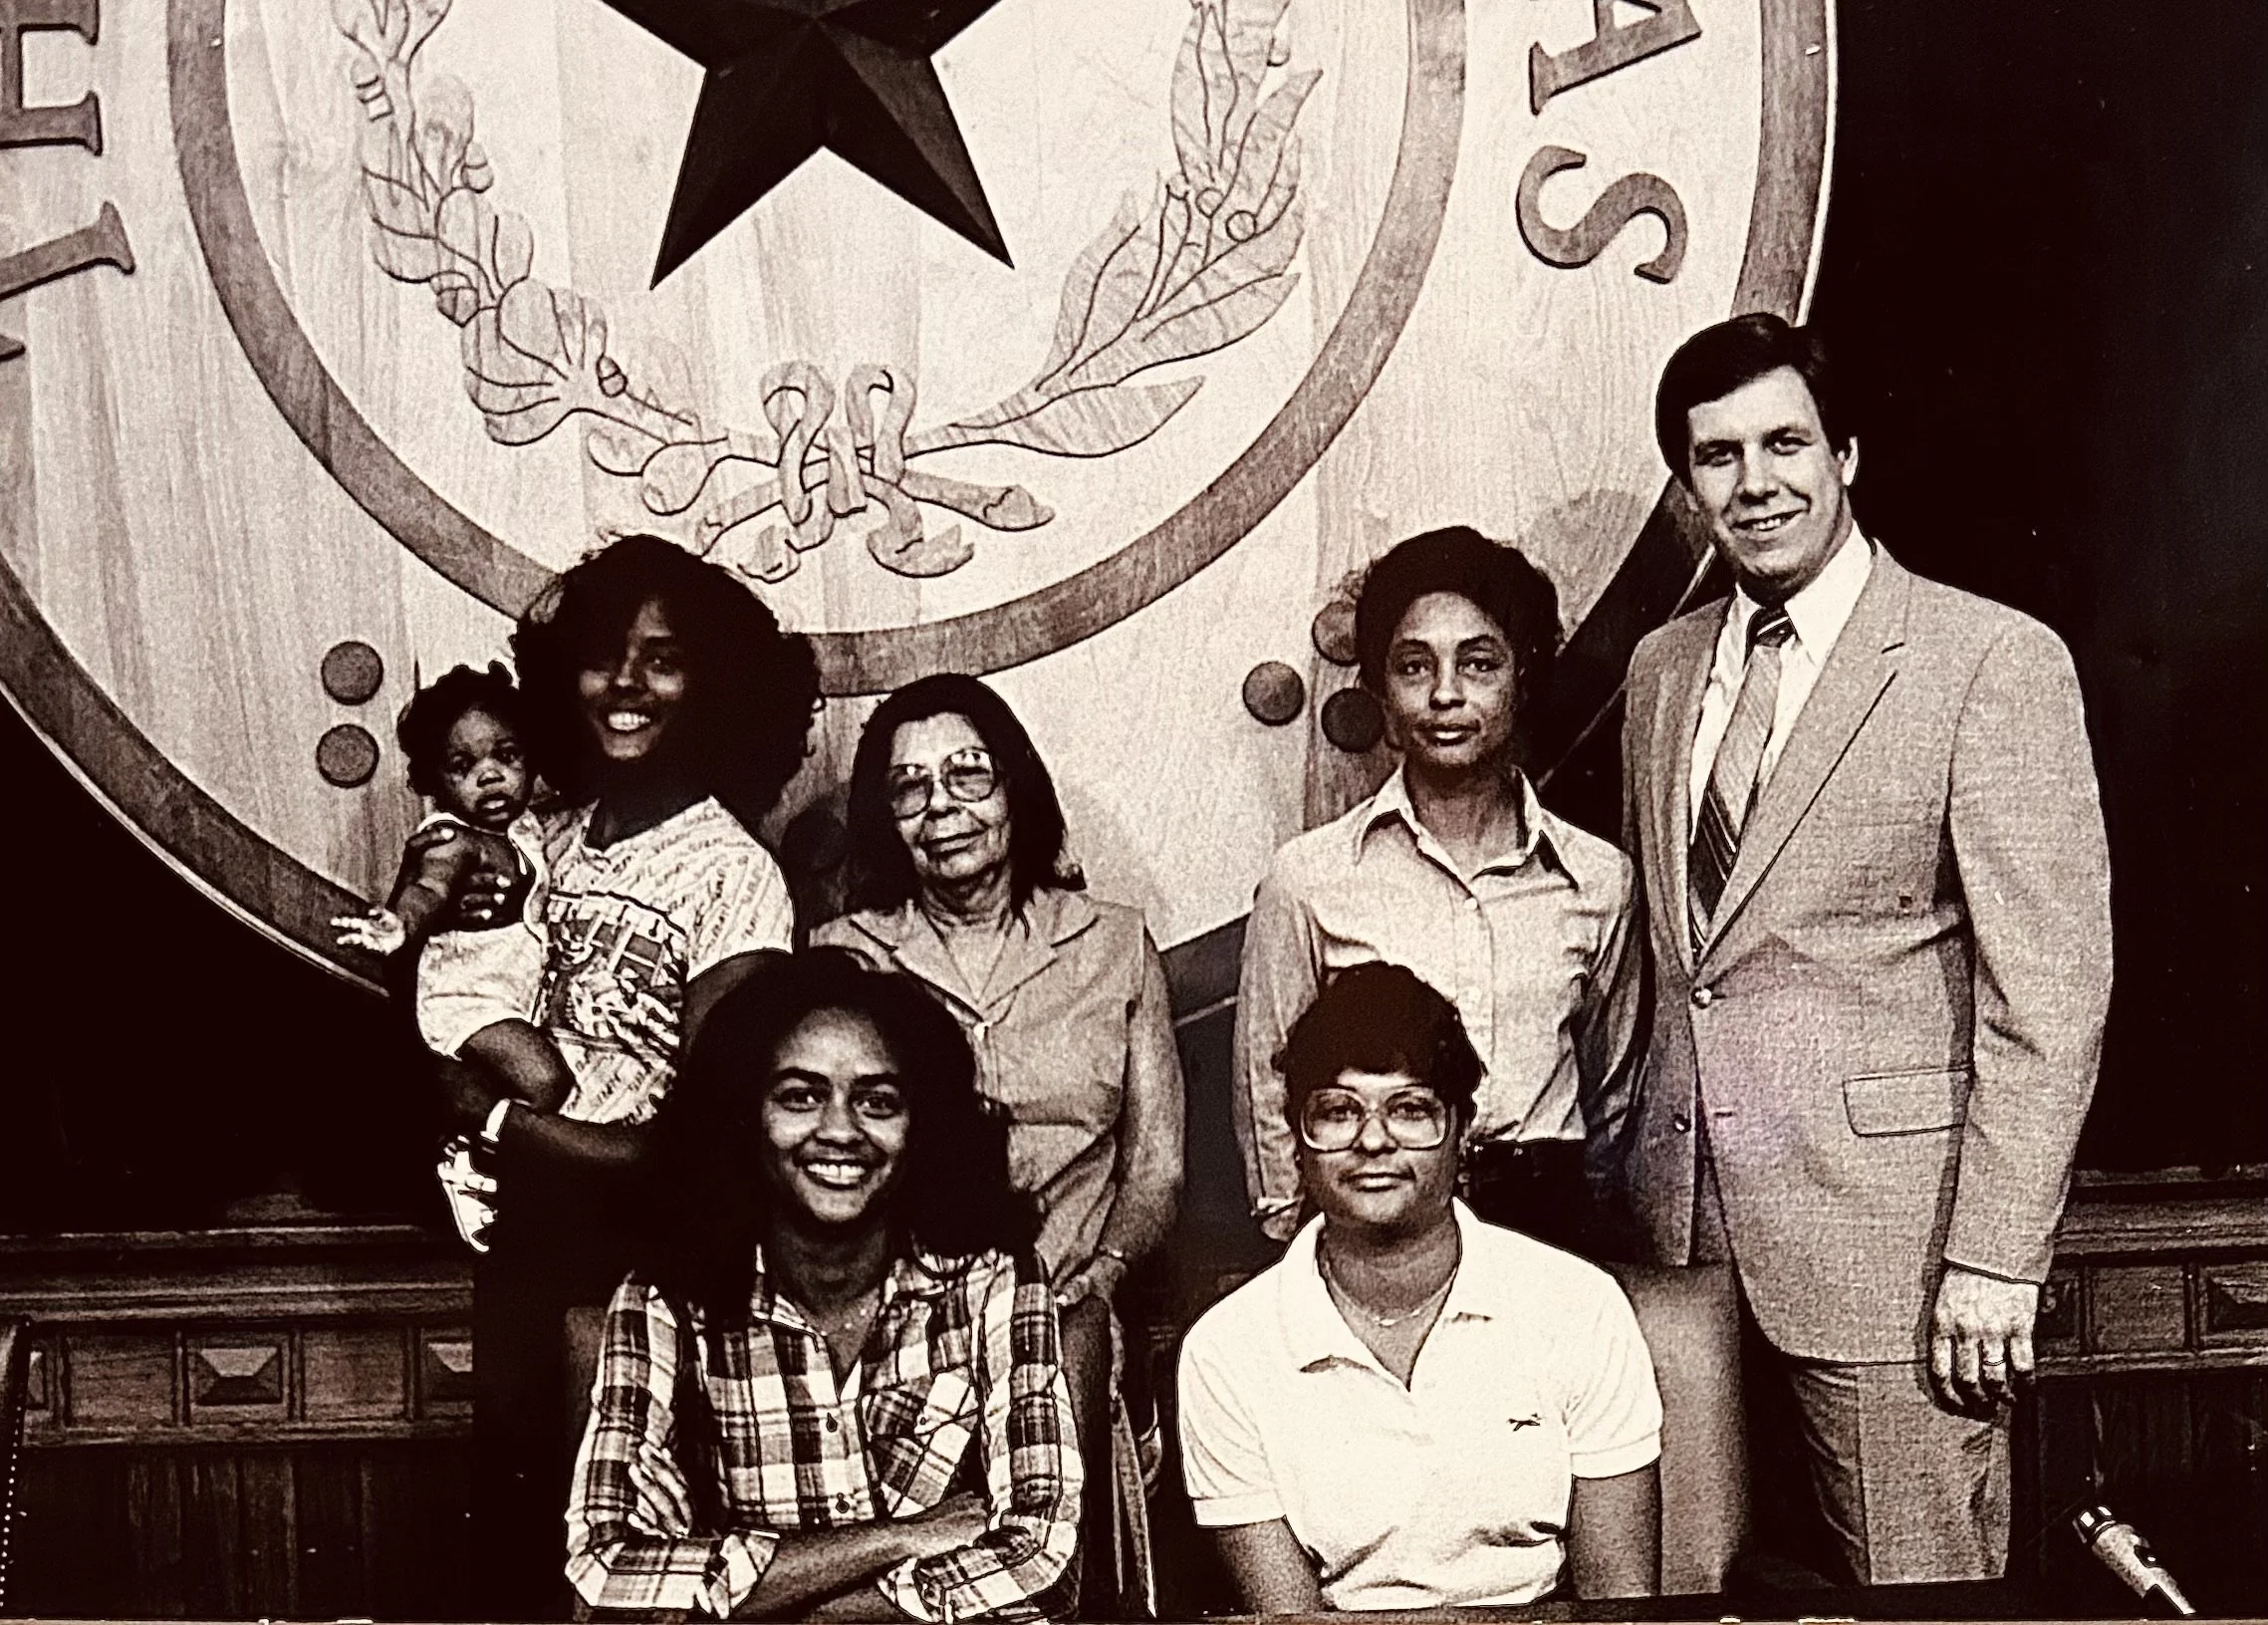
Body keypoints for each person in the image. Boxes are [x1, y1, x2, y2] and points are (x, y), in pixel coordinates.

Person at [1617, 313, 2112, 1583]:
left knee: (1918, 1600)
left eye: (1785, 442)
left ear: (1847, 453)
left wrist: (1996, 1256)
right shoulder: (1663, 670)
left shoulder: (1986, 658)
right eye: (1717, 455)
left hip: (1897, 1258)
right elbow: (1690, 967)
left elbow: (2048, 994)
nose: (1755, 481)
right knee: (1698, 1593)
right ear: (1688, 486)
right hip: (1683, 1243)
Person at [437, 533, 819, 1617]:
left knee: (611, 1568)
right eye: (606, 654)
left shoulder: (736, 875)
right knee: (517, 1555)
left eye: (664, 657)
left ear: (715, 685)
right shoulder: (532, 838)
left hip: (635, 1263)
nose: (628, 684)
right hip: (517, 1243)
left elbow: (697, 1136)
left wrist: (497, 1115)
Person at [812, 673, 1183, 1613]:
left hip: (1069, 1315)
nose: (943, 808)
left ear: (1016, 786)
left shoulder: (1115, 942)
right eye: (909, 788)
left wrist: (1102, 1270)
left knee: (1068, 1353)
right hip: (899, 1342)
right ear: (883, 818)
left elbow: (1155, 1163)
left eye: (969, 774)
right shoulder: (840, 953)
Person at [566, 948, 1082, 1622]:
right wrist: (906, 1536)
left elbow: (1044, 1569)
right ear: (742, 1118)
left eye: (877, 1101)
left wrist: (731, 1582)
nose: (840, 1130)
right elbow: (605, 1573)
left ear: (920, 1127)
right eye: (800, 1096)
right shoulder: (665, 1299)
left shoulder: (994, 1283)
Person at [1181, 962, 1661, 1611]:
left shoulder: (1578, 1305)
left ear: (1462, 1133)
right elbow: (1288, 1618)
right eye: (1336, 1111)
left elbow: (1619, 1603)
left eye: (1410, 1109)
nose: (1373, 1139)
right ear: (1298, 1142)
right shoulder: (1226, 1350)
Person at [1233, 527, 1639, 1253]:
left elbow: (1614, 1091)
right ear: (1381, 694)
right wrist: (1293, 1234)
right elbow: (1269, 1082)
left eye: (1478, 663)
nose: (1445, 693)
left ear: (1521, 679)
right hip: (1372, 1224)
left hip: (1547, 1228)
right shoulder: (1309, 878)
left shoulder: (1597, 878)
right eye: (1413, 666)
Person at [334, 663, 570, 1248]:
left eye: (507, 758)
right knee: (544, 1079)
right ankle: (471, 1161)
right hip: (466, 998)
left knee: (538, 1081)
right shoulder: (452, 839)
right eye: (464, 768)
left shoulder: (527, 829)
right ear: (436, 782)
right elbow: (431, 887)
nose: (490, 778)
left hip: (507, 994)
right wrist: (400, 924)